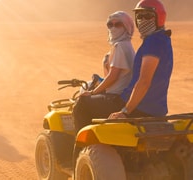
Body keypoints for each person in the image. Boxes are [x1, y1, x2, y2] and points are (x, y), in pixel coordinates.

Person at [73, 0, 173, 133]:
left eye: (148, 16)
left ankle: (83, 150)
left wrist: (125, 111)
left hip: (137, 106)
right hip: (156, 107)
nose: (142, 20)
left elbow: (144, 81)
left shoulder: (153, 41)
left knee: (82, 104)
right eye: (139, 16)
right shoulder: (163, 39)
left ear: (159, 17)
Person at [74, 11, 135, 132]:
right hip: (120, 96)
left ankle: (80, 145)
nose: (113, 28)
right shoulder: (126, 45)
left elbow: (113, 76)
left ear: (127, 26)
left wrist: (92, 93)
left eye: (118, 24)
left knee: (81, 104)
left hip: (115, 97)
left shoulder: (120, 46)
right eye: (110, 25)